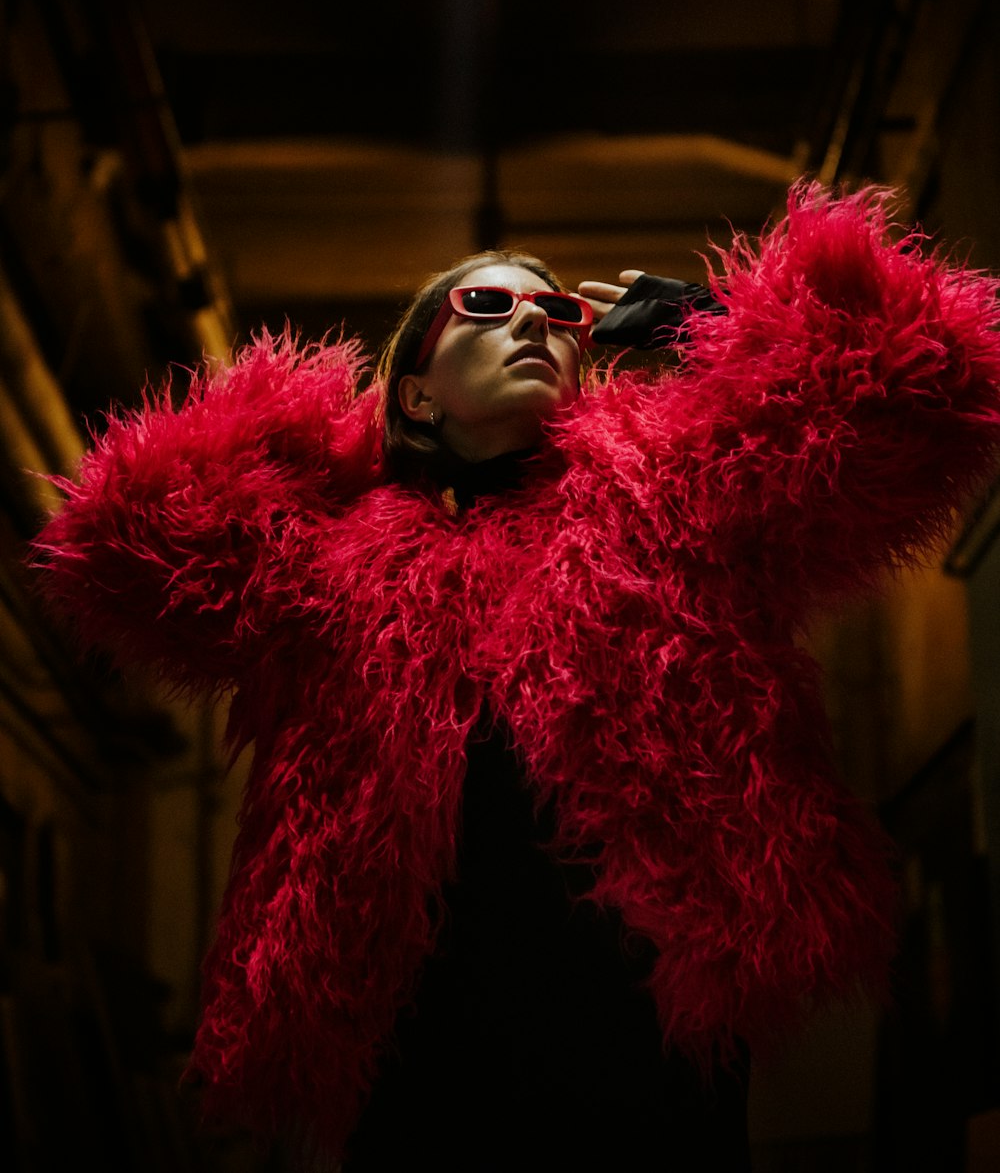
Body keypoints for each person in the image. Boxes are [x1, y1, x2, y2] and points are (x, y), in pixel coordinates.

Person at [32, 181, 1000, 1172]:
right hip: (413, 1023)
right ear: (414, 389)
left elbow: (927, 387)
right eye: (487, 306)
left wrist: (714, 320)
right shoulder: (328, 559)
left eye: (556, 309)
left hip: (639, 1016)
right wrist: (312, 440)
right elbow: (117, 538)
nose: (532, 317)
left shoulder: (673, 490)